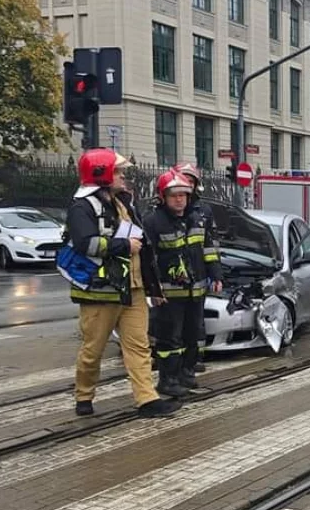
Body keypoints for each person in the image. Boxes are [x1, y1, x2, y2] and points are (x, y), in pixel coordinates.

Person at [62, 149, 180, 418]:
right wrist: (123, 244)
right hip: (100, 291)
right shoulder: (82, 207)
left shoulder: (124, 203)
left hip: (132, 288)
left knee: (139, 346)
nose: (123, 176)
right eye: (117, 171)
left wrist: (154, 289)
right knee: (93, 350)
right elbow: (85, 244)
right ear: (101, 174)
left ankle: (147, 400)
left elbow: (144, 248)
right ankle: (84, 396)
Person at [144, 170, 224, 398]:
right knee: (170, 338)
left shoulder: (197, 218)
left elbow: (209, 249)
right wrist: (154, 290)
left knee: (192, 336)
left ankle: (186, 373)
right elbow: (148, 259)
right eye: (174, 195)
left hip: (195, 290)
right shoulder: (153, 222)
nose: (179, 199)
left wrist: (216, 275)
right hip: (169, 293)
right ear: (163, 197)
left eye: (183, 195)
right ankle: (168, 379)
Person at [172, 162, 219, 375]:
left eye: (191, 181)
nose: (187, 186)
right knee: (172, 324)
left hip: (197, 276)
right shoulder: (161, 211)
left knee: (196, 321)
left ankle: (194, 359)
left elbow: (210, 244)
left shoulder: (203, 211)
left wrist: (215, 273)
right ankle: (175, 364)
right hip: (171, 281)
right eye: (184, 180)